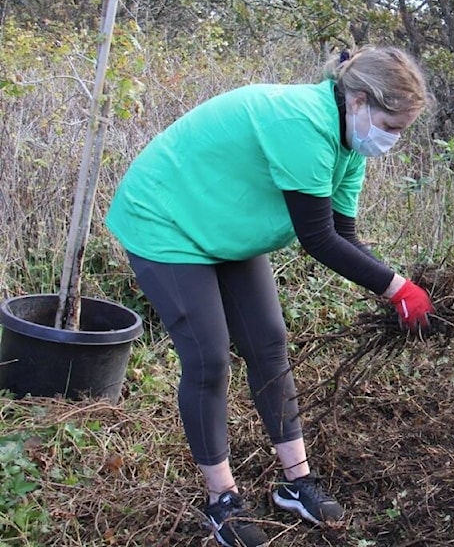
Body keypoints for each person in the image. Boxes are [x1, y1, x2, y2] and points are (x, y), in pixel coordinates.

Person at [105, 46, 435, 546]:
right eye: (392, 124)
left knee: (268, 345)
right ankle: (221, 501)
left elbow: (344, 231)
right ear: (361, 100)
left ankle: (295, 482)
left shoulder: (349, 143)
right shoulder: (302, 122)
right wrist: (396, 288)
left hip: (224, 226)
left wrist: (393, 286)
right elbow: (318, 239)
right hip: (166, 217)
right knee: (210, 358)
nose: (392, 138)